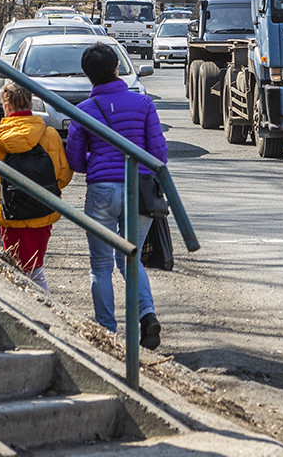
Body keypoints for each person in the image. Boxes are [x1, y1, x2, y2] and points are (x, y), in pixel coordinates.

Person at [66, 42, 165, 350]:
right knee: (130, 258)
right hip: (140, 189)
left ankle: (107, 333)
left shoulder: (83, 111)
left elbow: (75, 160)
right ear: (116, 68)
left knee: (100, 265)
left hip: (102, 191)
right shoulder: (143, 104)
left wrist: (97, 162)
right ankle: (147, 315)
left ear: (88, 75)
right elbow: (159, 153)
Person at [0, 82, 72, 291]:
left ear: (7, 106)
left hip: (11, 214)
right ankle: (42, 303)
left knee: (17, 267)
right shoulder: (49, 135)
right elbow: (63, 176)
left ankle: (30, 304)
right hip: (43, 211)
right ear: (31, 103)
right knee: (35, 266)